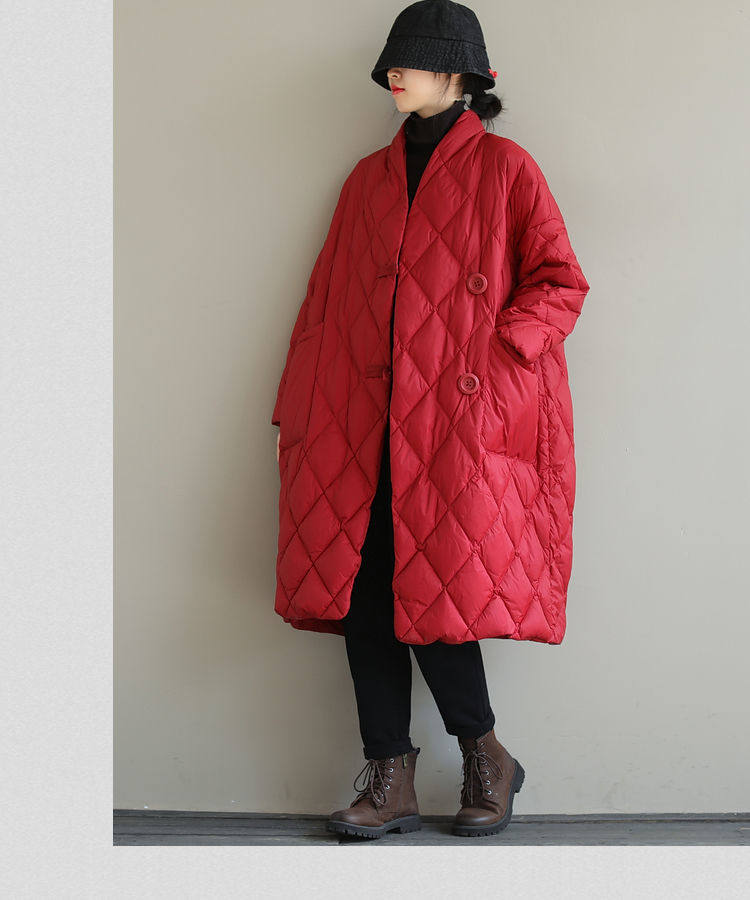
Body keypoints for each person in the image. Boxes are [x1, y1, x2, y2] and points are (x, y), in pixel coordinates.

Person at [271, 0, 590, 841]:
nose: (393, 75)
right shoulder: (365, 181)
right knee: (364, 591)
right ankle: (391, 776)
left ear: (459, 75)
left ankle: (486, 757)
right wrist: (300, 401)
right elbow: (325, 302)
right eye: (391, 63)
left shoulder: (507, 170)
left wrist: (500, 353)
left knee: (436, 588)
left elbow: (560, 282)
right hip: (361, 420)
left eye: (408, 62)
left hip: (457, 421)